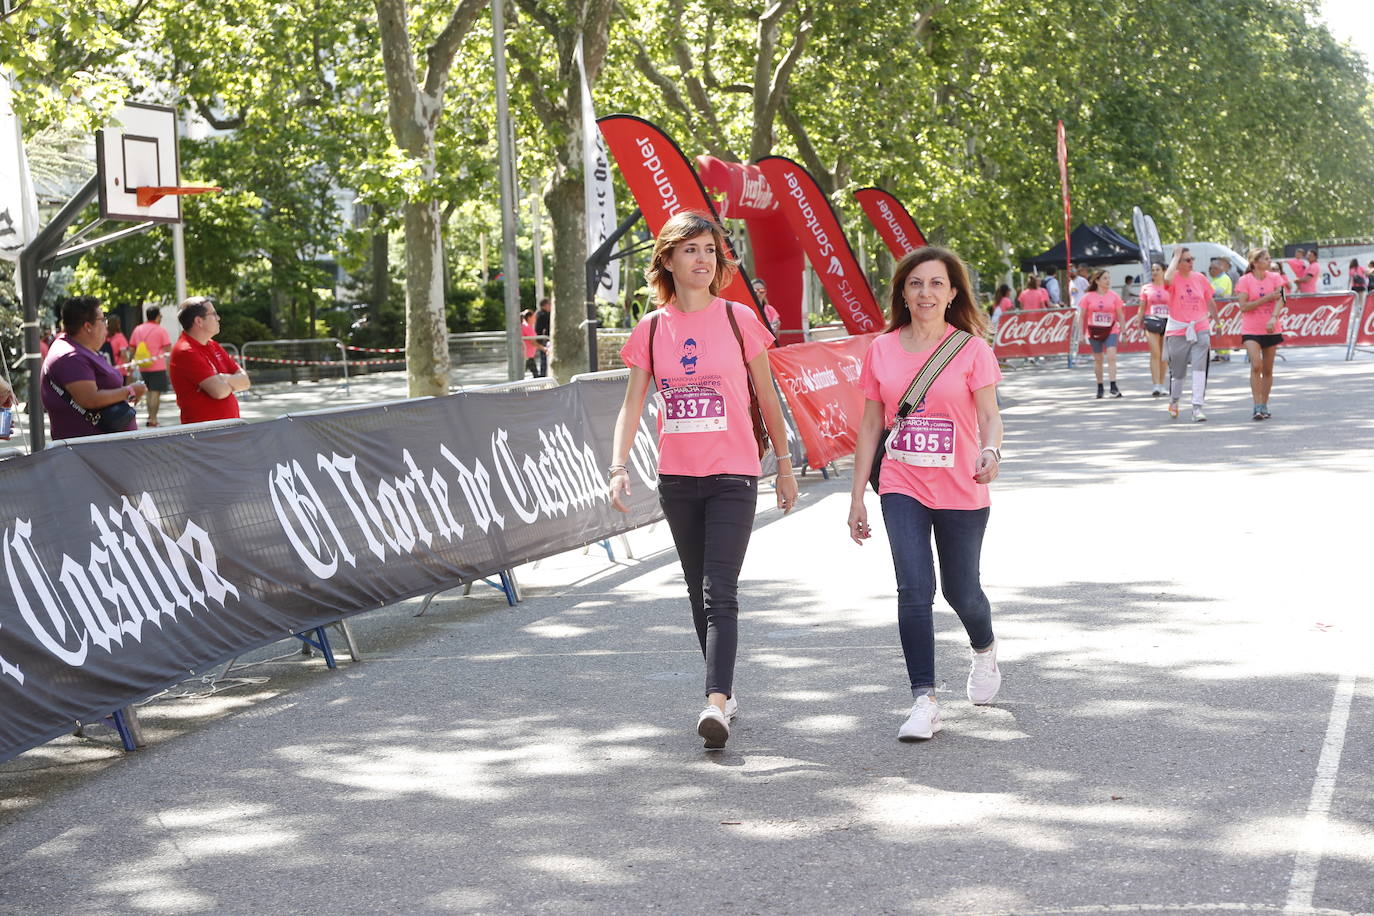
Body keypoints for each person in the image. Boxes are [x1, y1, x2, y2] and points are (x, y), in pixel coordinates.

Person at [606, 211, 799, 750]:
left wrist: (784, 465)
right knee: (697, 592)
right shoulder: (650, 329)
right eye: (690, 249)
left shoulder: (739, 320)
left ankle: (715, 701)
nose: (702, 259)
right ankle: (725, 695)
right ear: (667, 258)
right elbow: (632, 405)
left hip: (734, 473)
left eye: (710, 251)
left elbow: (767, 396)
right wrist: (618, 467)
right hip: (678, 477)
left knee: (720, 590)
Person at [848, 246, 1004, 742]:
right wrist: (855, 498)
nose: (926, 292)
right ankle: (924, 699)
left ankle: (984, 650)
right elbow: (871, 425)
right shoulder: (882, 348)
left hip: (961, 485)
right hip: (901, 483)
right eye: (916, 283)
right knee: (914, 589)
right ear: (903, 292)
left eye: (937, 283)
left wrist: (992, 452)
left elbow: (989, 416)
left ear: (953, 292)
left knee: (962, 592)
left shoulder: (972, 350)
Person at [40, 296, 146, 439]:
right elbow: (90, 399)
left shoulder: (77, 348)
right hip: (91, 451)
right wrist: (130, 390)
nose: (106, 325)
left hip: (102, 448)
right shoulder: (71, 357)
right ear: (87, 326)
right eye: (102, 320)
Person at [169, 296, 251, 424]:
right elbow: (219, 391)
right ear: (199, 321)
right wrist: (231, 382)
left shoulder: (212, 345)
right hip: (205, 435)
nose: (218, 318)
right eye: (214, 314)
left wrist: (224, 379)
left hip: (225, 431)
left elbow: (245, 382)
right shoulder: (185, 351)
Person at [1163, 247, 1218, 422]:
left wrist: (1217, 319)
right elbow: (1166, 278)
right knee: (1178, 372)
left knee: (1199, 368)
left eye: (1191, 259)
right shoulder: (1173, 279)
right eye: (1186, 259)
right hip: (1178, 329)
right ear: (1177, 263)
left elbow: (1209, 300)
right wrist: (1176, 255)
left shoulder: (1200, 278)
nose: (1191, 262)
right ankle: (1174, 400)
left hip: (1200, 326)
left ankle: (1197, 407)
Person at [1235, 249, 1288, 421]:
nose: (1269, 261)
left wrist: (1273, 317)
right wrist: (1266, 299)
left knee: (1267, 369)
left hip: (1271, 327)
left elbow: (1282, 298)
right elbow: (1243, 306)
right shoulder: (1245, 281)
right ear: (1255, 263)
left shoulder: (1275, 277)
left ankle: (1264, 404)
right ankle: (1256, 405)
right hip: (1251, 329)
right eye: (1266, 259)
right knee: (1256, 364)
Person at [1081, 269, 1126, 398]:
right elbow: (1081, 316)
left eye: (1109, 278)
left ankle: (1113, 385)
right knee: (1098, 360)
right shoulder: (1088, 297)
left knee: (1112, 356)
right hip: (1094, 330)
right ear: (1097, 281)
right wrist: (1080, 334)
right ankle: (1100, 386)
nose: (1108, 281)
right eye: (1105, 278)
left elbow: (1120, 315)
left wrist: (1123, 332)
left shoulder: (1114, 296)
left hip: (1111, 330)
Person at [128, 304, 171, 427]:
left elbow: (132, 348)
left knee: (148, 392)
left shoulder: (138, 329)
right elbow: (168, 349)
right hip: (157, 365)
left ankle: (150, 417)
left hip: (143, 365)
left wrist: (131, 364)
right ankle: (153, 419)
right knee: (155, 392)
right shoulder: (160, 330)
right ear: (157, 316)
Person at [1138, 263, 1171, 396]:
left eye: (1157, 270)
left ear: (1164, 271)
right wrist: (1139, 320)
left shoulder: (1170, 287)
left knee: (1164, 355)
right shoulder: (1146, 288)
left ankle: (1162, 384)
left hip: (1168, 321)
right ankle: (1155, 385)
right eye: (1152, 270)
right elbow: (1142, 306)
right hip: (1151, 321)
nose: (1155, 272)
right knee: (1155, 353)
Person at [1208, 259, 1234, 362]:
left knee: (1221, 329)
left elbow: (1218, 292)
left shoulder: (1223, 278)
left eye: (1211, 268)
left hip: (1222, 308)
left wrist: (1208, 291)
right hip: (1216, 308)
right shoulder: (1215, 279)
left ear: (1217, 268)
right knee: (1216, 329)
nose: (1209, 271)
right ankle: (1219, 352)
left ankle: (1224, 353)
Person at [99, 314, 130, 378]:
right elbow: (123, 354)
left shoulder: (104, 337)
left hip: (106, 368)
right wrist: (129, 367)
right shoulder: (120, 337)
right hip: (120, 370)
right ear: (118, 325)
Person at [519, 308, 545, 377]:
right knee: (535, 374)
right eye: (534, 317)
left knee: (523, 375)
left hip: (527, 355)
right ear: (529, 317)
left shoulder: (525, 326)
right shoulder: (527, 327)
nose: (535, 319)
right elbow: (533, 342)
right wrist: (544, 349)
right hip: (527, 355)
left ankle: (515, 387)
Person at [534, 297, 552, 377]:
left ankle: (542, 376)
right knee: (544, 360)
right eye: (549, 304)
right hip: (544, 340)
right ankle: (542, 377)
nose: (550, 306)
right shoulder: (543, 315)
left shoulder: (538, 314)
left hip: (542, 340)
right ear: (544, 305)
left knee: (543, 360)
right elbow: (540, 329)